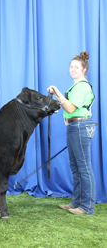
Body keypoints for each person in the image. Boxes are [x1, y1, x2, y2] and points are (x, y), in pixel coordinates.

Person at [48, 51, 96, 215]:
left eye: (76, 67)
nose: (72, 69)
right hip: (74, 126)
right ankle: (76, 202)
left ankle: (87, 207)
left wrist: (57, 93)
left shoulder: (82, 86)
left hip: (80, 126)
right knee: (76, 168)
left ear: (84, 70)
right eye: (71, 66)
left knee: (84, 168)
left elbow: (70, 108)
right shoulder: (76, 86)